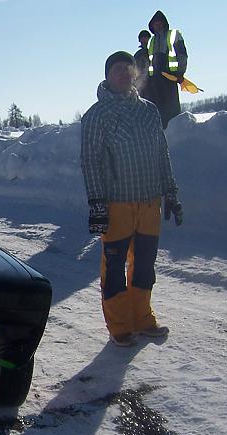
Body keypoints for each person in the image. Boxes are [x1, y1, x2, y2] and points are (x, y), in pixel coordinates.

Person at [80, 51, 183, 347]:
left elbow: (162, 154)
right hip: (117, 204)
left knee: (144, 266)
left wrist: (171, 191)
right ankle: (120, 325)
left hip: (150, 202)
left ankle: (143, 319)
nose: (124, 74)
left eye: (128, 69)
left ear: (136, 73)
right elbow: (90, 162)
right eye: (117, 70)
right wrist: (97, 203)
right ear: (107, 76)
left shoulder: (149, 111)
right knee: (114, 268)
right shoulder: (97, 115)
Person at [146, 10, 188, 129]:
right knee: (158, 109)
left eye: (160, 23)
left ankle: (175, 132)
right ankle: (162, 131)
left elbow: (182, 54)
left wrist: (180, 72)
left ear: (164, 23)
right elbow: (150, 61)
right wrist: (149, 79)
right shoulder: (152, 41)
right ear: (152, 26)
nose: (158, 26)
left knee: (172, 107)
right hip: (155, 79)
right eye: (155, 24)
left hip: (170, 76)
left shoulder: (173, 35)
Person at [133, 29, 151, 97]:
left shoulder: (154, 52)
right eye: (142, 38)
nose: (144, 40)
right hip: (140, 84)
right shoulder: (138, 55)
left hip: (154, 82)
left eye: (146, 38)